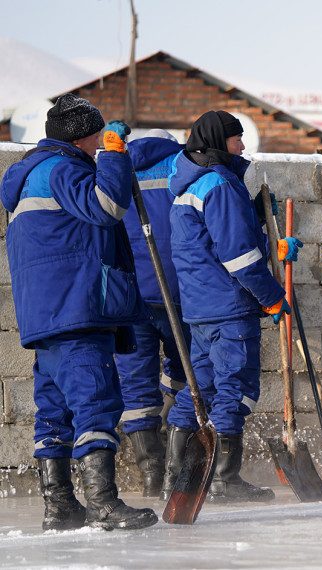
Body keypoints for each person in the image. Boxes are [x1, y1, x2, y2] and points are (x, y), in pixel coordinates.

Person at [0, 94, 158, 530]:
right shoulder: (64, 169)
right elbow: (107, 208)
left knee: (54, 411)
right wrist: (114, 157)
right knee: (96, 401)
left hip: (45, 314)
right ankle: (102, 504)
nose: (97, 145)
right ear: (83, 136)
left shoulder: (30, 176)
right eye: (96, 137)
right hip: (75, 308)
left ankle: (60, 506)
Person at [164, 110, 302, 503]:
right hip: (230, 306)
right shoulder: (220, 185)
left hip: (200, 308)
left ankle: (177, 477)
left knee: (200, 390)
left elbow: (209, 245)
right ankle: (225, 478)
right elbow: (238, 256)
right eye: (236, 139)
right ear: (215, 142)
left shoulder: (187, 185)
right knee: (234, 389)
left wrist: (262, 230)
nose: (242, 145)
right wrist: (273, 296)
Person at [116, 129, 188, 498]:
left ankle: (150, 473)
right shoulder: (182, 163)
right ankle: (177, 465)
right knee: (187, 370)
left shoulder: (118, 167)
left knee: (134, 380)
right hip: (180, 290)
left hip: (132, 295)